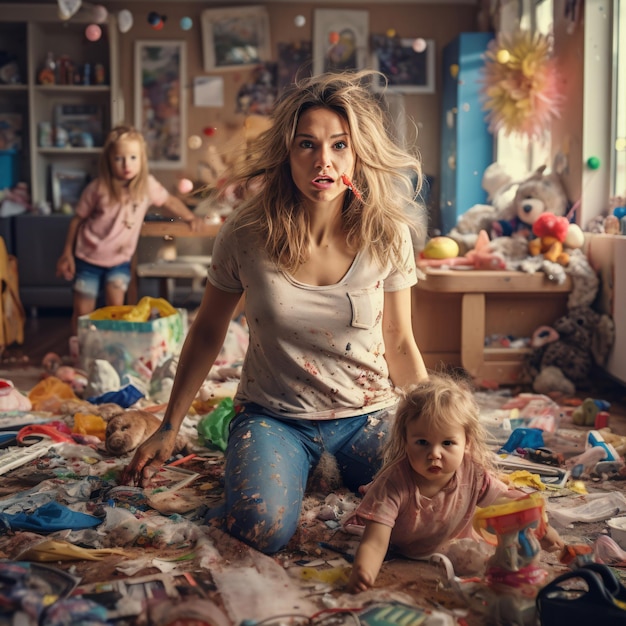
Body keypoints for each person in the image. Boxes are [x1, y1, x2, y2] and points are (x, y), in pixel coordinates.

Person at [122, 70, 429, 554]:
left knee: (427, 516)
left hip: (367, 415)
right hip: (274, 417)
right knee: (259, 528)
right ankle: (286, 471)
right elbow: (207, 331)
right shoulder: (245, 232)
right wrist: (169, 425)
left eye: (339, 145)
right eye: (307, 144)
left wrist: (433, 423)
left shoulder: (386, 234)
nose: (322, 161)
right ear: (287, 152)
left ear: (359, 153)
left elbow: (400, 341)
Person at [346, 373, 565, 593]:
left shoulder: (472, 472)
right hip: (405, 550)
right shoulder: (392, 484)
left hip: (456, 545)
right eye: (422, 442)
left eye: (447, 443)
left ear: (466, 443)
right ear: (405, 440)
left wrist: (540, 527)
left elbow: (507, 503)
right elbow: (375, 542)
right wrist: (364, 571)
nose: (434, 454)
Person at [56, 125, 204, 333]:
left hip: (119, 262)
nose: (127, 164)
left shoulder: (147, 186)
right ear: (109, 159)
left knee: (116, 311)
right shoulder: (98, 187)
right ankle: (78, 354)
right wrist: (66, 255)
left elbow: (169, 201)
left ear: (141, 159)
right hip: (88, 258)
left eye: (133, 158)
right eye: (119, 158)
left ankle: (109, 352)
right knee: (82, 314)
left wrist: (190, 216)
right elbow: (76, 221)